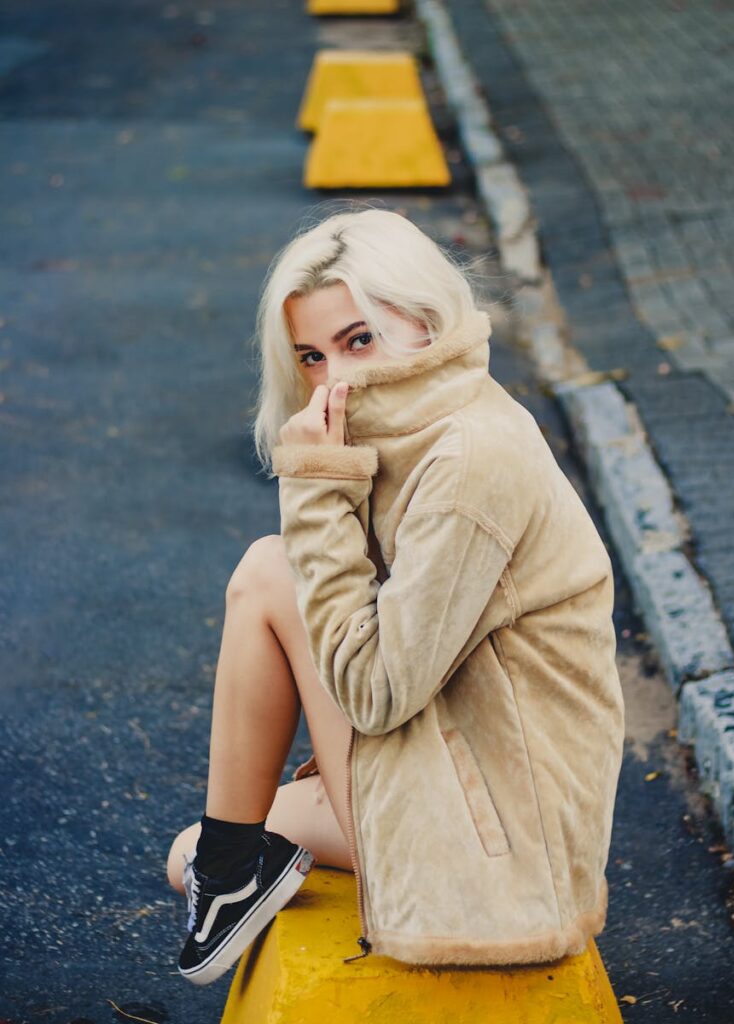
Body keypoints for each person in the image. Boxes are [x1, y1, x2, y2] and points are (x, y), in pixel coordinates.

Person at [165, 206, 626, 987]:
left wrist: (314, 489)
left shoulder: (470, 460)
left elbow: (377, 693)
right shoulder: (425, 427)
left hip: (503, 849)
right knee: (192, 853)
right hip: (469, 782)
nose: (333, 379)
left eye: (357, 340)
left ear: (423, 319)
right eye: (310, 356)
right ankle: (230, 872)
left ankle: (233, 873)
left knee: (270, 570)